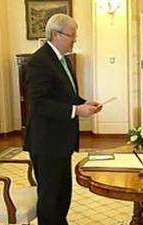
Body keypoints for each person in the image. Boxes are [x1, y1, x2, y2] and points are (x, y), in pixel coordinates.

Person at [24, 14, 102, 225]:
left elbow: (65, 96)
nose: (75, 39)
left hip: (61, 140)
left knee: (62, 195)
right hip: (47, 141)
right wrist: (76, 110)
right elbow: (40, 104)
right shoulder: (39, 61)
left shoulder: (63, 59)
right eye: (72, 35)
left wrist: (85, 103)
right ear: (56, 35)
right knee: (50, 199)